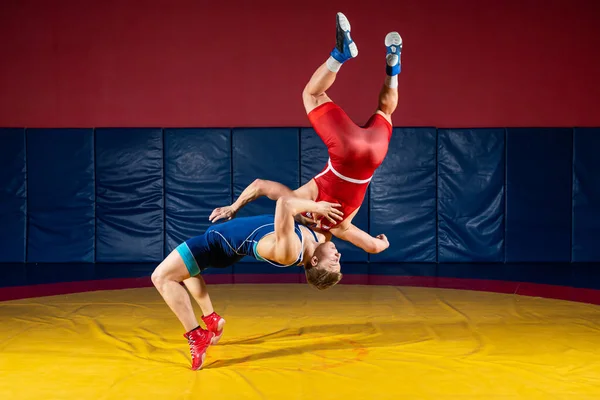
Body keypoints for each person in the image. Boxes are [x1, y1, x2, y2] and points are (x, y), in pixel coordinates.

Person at [210, 12, 402, 255]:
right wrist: (233, 207)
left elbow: (375, 247)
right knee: (311, 95)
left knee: (385, 110)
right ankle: (340, 55)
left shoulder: (343, 228)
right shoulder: (300, 204)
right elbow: (260, 186)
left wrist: (383, 241)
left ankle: (393, 70)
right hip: (346, 150)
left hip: (374, 155)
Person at [151, 196, 344, 370]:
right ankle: (211, 318)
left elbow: (284, 202)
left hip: (216, 245)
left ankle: (196, 335)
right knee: (188, 270)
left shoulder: (291, 250)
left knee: (161, 277)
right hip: (226, 246)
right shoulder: (316, 237)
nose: (339, 255)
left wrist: (317, 206)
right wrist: (374, 242)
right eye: (338, 260)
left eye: (335, 261)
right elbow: (347, 229)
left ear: (315, 262)